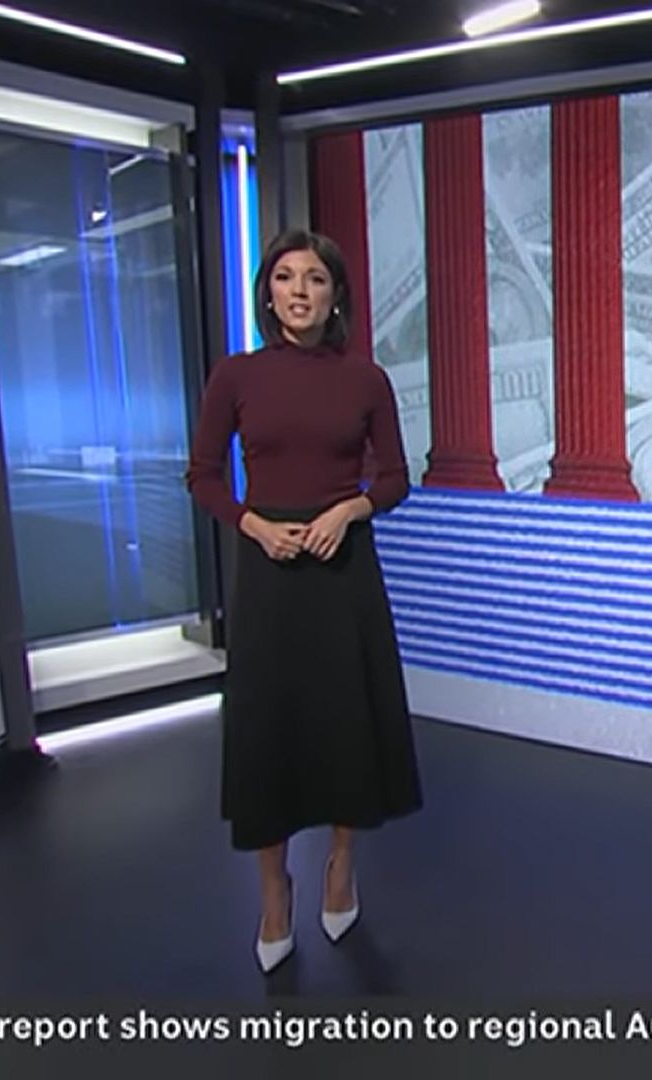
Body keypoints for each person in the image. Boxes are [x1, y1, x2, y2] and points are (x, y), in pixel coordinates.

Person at [184, 228, 420, 973]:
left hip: (343, 572)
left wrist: (348, 511)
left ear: (335, 295)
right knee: (268, 732)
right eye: (285, 278)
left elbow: (394, 479)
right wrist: (253, 525)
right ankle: (274, 893)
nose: (299, 292)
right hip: (269, 576)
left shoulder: (365, 380)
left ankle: (341, 868)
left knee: (348, 723)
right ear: (268, 294)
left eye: (315, 279)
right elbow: (202, 475)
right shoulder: (236, 376)